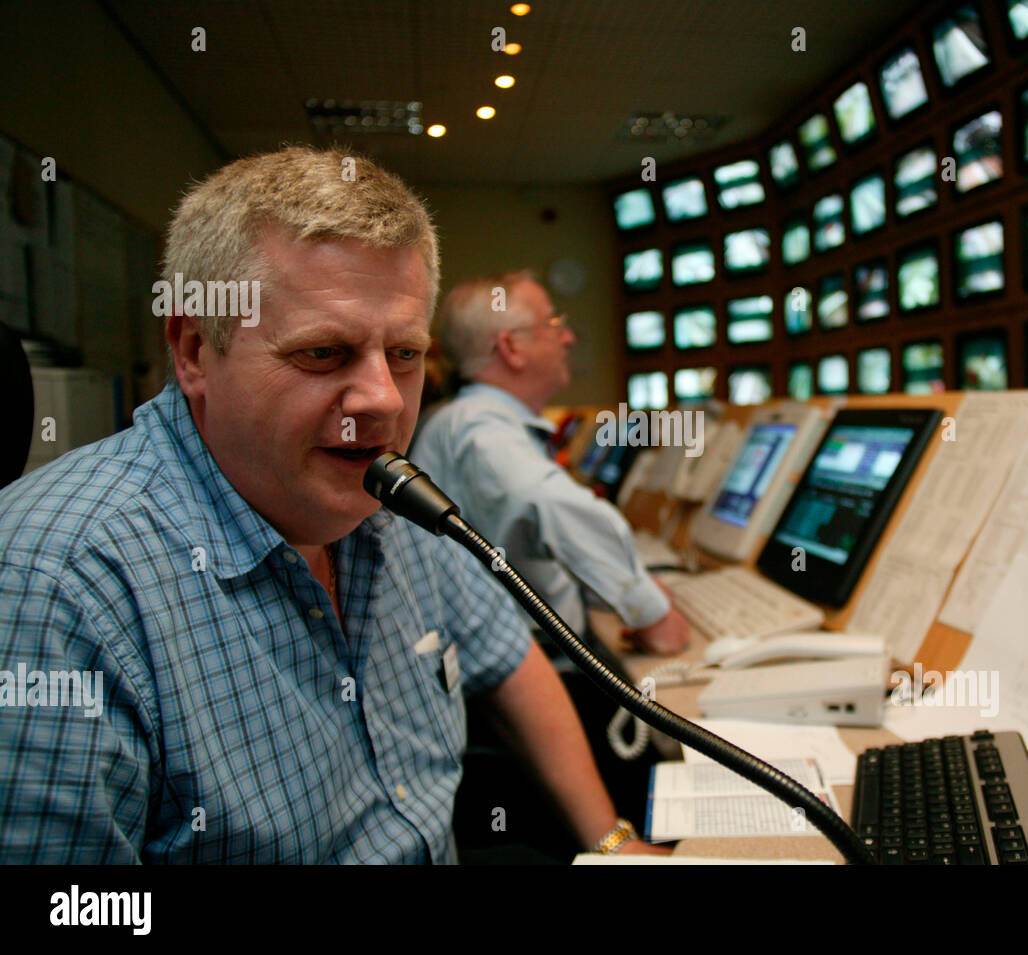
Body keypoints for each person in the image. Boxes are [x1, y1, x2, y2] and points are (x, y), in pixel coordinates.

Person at [0, 146, 661, 863]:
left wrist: (613, 840)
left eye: (404, 355)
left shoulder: (390, 498)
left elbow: (510, 659)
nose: (381, 399)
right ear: (194, 349)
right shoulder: (56, 584)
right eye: (324, 353)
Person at [411, 271, 689, 657]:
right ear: (511, 348)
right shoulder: (478, 426)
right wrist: (651, 614)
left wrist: (611, 593)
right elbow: (544, 500)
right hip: (534, 663)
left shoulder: (466, 419)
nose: (568, 337)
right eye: (552, 324)